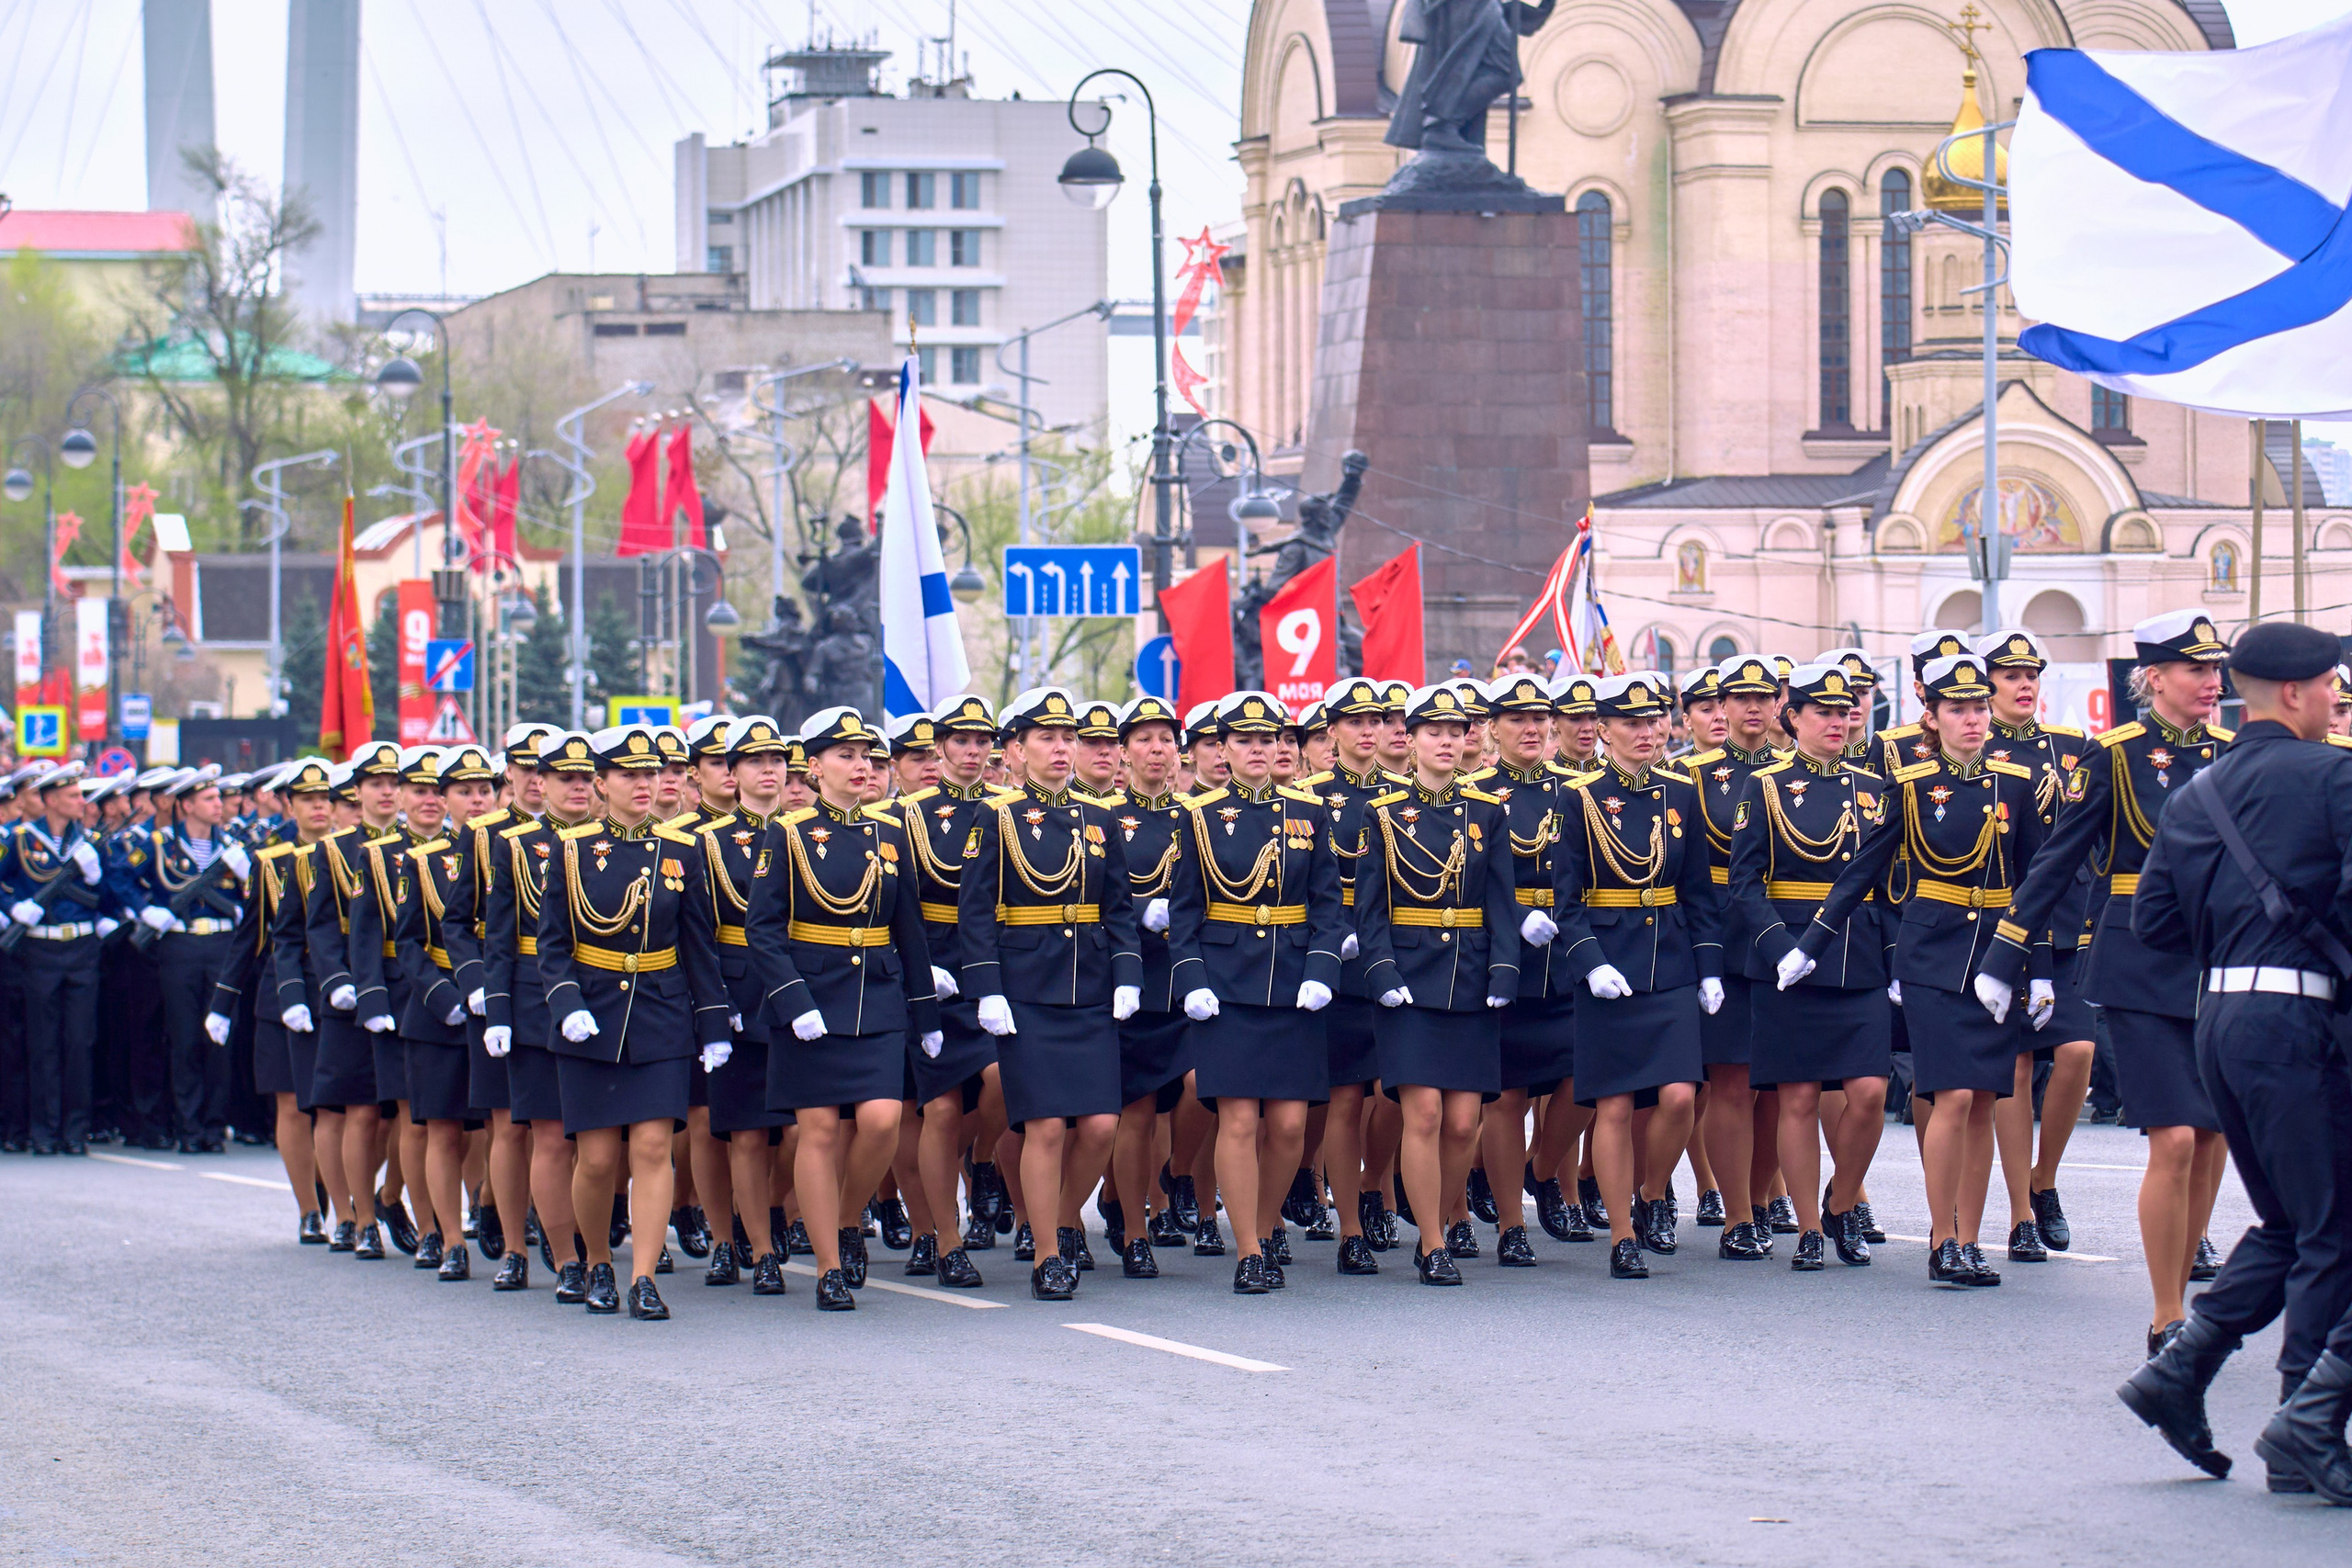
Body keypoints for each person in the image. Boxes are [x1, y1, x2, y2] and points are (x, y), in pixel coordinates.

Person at [2123, 617, 2352, 1501]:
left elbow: (2154, 925)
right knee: (2331, 1228)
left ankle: (2178, 1372)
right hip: (2302, 1024)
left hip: (2219, 1019)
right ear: (2294, 693)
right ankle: (2306, 1420)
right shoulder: (2338, 778)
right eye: (2332, 684)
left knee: (2295, 1223)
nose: (2338, 699)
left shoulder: (2196, 794)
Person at [1975, 611, 2233, 1350]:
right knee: (2175, 1138)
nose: (2212, 683)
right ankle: (2165, 1313)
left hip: (2219, 960)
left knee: (2212, 1134)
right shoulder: (2114, 756)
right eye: (2196, 670)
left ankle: (2189, 1276)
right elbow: (2056, 860)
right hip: (2140, 961)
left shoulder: (2234, 754)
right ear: (2155, 678)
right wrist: (2006, 954)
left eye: (2217, 669)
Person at [1781, 653, 2049, 1289]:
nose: (1974, 719)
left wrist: (2039, 969)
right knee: (1952, 1093)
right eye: (1958, 709)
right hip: (1931, 954)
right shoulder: (1907, 785)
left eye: (1980, 707)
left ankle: (1971, 1238)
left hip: (1997, 954)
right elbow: (1862, 873)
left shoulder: (2014, 785)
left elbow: (2037, 882)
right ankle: (1942, 1236)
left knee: (1984, 1098)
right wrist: (1811, 942)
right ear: (1932, 717)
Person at [742, 706, 940, 1311]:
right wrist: (791, 998)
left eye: (868, 758)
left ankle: (847, 1215)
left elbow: (909, 929)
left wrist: (925, 1012)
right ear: (816, 765)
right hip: (812, 999)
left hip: (876, 995)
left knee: (881, 1119)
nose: (862, 768)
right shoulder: (789, 831)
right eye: (847, 756)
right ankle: (829, 1262)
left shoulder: (891, 832)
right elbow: (763, 927)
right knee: (820, 1130)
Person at [537, 724, 731, 1319]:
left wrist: (714, 1022)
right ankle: (598, 1258)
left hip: (662, 1011)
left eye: (651, 773)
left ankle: (644, 1274)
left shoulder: (681, 852)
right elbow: (552, 943)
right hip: (592, 1014)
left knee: (652, 1146)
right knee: (596, 1158)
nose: (645, 784)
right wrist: (567, 1004)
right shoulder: (570, 850)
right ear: (602, 782)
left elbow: (700, 943)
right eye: (630, 774)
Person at [957, 687, 1142, 1302]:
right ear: (1016, 750)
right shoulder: (996, 815)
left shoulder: (1099, 817)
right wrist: (987, 987)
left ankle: (1062, 1218)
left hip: (1087, 985)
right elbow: (976, 912)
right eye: (1047, 738)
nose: (1062, 749)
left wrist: (1127, 975)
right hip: (1026, 988)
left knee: (1098, 1125)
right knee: (1045, 1127)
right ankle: (1046, 1250)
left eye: (1070, 738)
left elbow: (1118, 906)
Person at [1166, 690, 1346, 1293]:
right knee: (1240, 1120)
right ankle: (1248, 1246)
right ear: (1222, 748)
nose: (1257, 750)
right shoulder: (1198, 815)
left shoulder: (1309, 812)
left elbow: (1327, 901)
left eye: (1269, 740)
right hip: (1226, 984)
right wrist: (1190, 978)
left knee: (1291, 1125)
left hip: (1294, 982)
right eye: (1244, 740)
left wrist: (1323, 969)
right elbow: (1184, 910)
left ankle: (1266, 1226)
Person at [1549, 672, 1722, 1280]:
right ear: (1605, 730)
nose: (1646, 733)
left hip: (1670, 958)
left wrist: (1710, 968)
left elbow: (1699, 892)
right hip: (1608, 963)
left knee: (1680, 1096)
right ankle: (1623, 1232)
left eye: (1653, 721)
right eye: (1631, 723)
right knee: (1615, 1106)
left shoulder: (1681, 793)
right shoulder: (1580, 797)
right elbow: (1564, 900)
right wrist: (1589, 963)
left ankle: (1653, 1192)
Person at [1356, 683, 1521, 1285]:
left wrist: (1505, 968)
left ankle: (1438, 1216)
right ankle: (1431, 1239)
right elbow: (1370, 909)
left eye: (1457, 732)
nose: (1448, 742)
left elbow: (1502, 900)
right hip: (1409, 980)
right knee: (1422, 1114)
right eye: (1435, 732)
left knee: (1462, 1123)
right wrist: (1381, 972)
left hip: (1472, 978)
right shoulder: (1382, 813)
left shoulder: (1487, 812)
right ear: (1412, 739)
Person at [1732, 662, 1890, 1269]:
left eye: (1844, 710)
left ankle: (1842, 1198)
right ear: (1791, 717)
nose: (1837, 721)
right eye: (1822, 711)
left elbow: (1891, 882)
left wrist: (1895, 961)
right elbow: (1745, 883)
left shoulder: (1875, 787)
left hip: (1857, 955)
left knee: (1870, 1092)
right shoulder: (1765, 786)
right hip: (1788, 960)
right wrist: (1779, 949)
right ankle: (1808, 1227)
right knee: (1797, 1097)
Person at [1969, 628, 2097, 1264]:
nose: (2023, 684)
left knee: (2076, 1050)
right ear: (1985, 681)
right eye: (2009, 673)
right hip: (1997, 928)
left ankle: (2045, 1177)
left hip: (2064, 925)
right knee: (2014, 1066)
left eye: (2031, 673)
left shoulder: (2073, 747)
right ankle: (2021, 1210)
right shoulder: (1970, 748)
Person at [1465, 671, 1583, 1265]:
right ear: (1493, 729)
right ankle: (1513, 1223)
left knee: (1583, 1081)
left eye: (1540, 718)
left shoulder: (1578, 788)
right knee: (1507, 1098)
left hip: (1568, 956)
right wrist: (1515, 920)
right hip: (1503, 960)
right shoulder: (1475, 792)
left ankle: (1543, 1167)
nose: (1532, 729)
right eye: (1517, 719)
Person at [484, 731, 602, 1298]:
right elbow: (500, 937)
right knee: (548, 1136)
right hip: (536, 999)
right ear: (538, 784)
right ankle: (551, 1254)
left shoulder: (620, 840)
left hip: (606, 999)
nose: (576, 787)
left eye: (585, 777)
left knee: (598, 1141)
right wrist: (499, 1010)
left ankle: (592, 1242)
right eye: (562, 778)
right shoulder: (515, 845)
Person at [684, 716, 796, 1296]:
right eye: (755, 762)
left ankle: (773, 1218)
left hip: (800, 994)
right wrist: (713, 1006)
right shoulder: (702, 843)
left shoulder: (806, 830)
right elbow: (697, 935)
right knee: (742, 1133)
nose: (769, 771)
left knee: (800, 1129)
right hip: (737, 996)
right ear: (731, 774)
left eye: (776, 761)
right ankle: (745, 1244)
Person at [1305, 677, 1411, 1268]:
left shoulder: (1407, 792)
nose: (1369, 732)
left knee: (1396, 1094)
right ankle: (1349, 1227)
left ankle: (1376, 1183)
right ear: (1334, 732)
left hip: (1400, 958)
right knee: (1345, 1099)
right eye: (1356, 723)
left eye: (1377, 722)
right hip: (1339, 961)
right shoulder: (1309, 796)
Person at [206, 757, 335, 1242]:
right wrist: (223, 1003)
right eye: (308, 800)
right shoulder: (270, 858)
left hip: (335, 990)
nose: (319, 808)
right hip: (281, 990)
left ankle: (337, 1193)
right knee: (291, 1104)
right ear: (289, 804)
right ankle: (308, 1208)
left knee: (337, 1107)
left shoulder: (353, 851)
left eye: (325, 799)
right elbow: (250, 934)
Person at [382, 745, 499, 1281]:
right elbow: (407, 944)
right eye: (463, 793)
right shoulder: (422, 860)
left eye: (483, 791)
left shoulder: (515, 850)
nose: (476, 801)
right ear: (445, 800)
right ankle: (445, 1235)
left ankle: (495, 1205)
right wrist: (445, 997)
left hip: (501, 1005)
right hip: (441, 1012)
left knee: (504, 1126)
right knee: (442, 1129)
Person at [1688, 656, 1791, 1254]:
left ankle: (1759, 1196)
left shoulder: (1793, 772)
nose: (1753, 707)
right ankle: (1734, 1213)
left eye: (1763, 696)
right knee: (1730, 1080)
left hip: (1781, 936)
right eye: (1740, 697)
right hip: (1724, 934)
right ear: (1721, 705)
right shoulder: (1693, 775)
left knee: (1777, 1084)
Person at [1102, 694, 1192, 1278]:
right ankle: (1134, 1226)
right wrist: (1139, 912)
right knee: (1133, 1114)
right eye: (1144, 740)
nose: (1156, 749)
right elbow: (1088, 899)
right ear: (1123, 752)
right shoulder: (1101, 815)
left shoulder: (1199, 816)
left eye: (1165, 739)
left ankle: (1177, 1184)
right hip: (1131, 979)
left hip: (1190, 979)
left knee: (1199, 1089)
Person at [129, 765, 250, 1154]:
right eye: (209, 799)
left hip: (222, 946)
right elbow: (119, 878)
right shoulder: (160, 843)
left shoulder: (231, 846)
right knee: (183, 1038)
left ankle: (215, 1126)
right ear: (186, 805)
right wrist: (147, 910)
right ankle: (189, 1127)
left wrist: (246, 891)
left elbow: (259, 891)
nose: (219, 805)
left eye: (218, 797)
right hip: (178, 947)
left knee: (218, 1037)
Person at [2, 762, 121, 1156]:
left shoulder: (88, 843)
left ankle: (75, 1130)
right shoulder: (19, 840)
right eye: (72, 796)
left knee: (80, 1040)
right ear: (51, 800)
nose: (81, 802)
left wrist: (94, 877)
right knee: (43, 1041)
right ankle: (44, 1129)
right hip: (39, 947)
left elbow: (108, 897)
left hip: (83, 949)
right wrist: (14, 908)